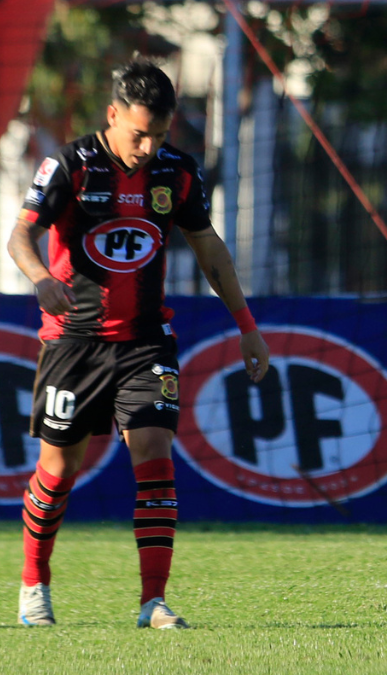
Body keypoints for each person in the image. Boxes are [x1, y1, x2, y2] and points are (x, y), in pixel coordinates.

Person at [7, 58, 270, 628]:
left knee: (153, 452)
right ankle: (34, 584)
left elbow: (210, 251)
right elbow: (20, 235)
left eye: (159, 134)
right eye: (137, 133)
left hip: (147, 342)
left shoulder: (177, 172)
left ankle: (153, 600)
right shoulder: (69, 166)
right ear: (112, 115)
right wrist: (41, 278)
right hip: (73, 340)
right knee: (57, 471)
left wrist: (247, 325)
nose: (148, 146)